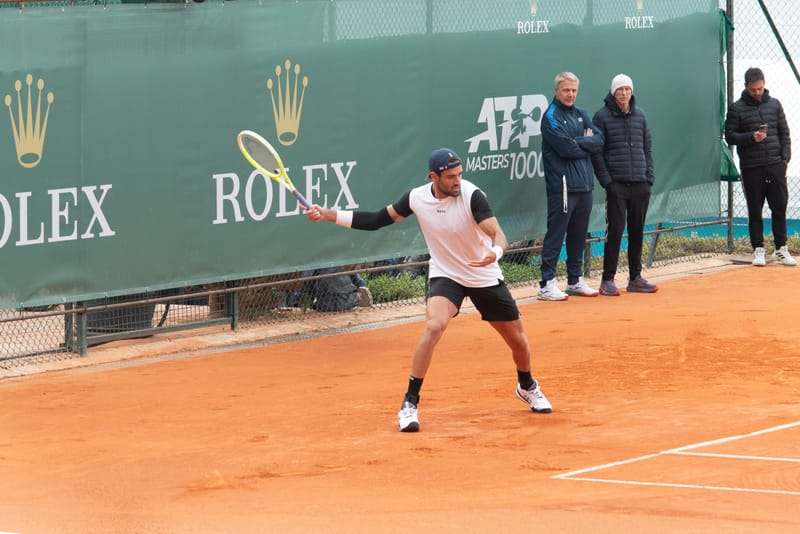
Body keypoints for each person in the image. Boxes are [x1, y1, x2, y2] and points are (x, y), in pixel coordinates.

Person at [305, 148, 552, 432]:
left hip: (483, 273)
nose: (457, 181)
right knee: (434, 327)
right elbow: (375, 220)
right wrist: (327, 214)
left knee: (518, 341)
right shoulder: (416, 198)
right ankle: (409, 403)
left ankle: (527, 386)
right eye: (450, 177)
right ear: (433, 177)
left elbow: (498, 234)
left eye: (459, 175)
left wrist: (494, 253)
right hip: (446, 274)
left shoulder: (472, 196)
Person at [538, 72, 605, 301]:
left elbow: (599, 141)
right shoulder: (550, 117)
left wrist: (581, 141)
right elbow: (566, 148)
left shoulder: (582, 114)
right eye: (566, 90)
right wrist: (583, 142)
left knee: (578, 235)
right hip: (563, 188)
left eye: (574, 90)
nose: (570, 94)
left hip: (585, 186)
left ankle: (575, 280)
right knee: (556, 234)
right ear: (557, 90)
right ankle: (546, 284)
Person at [591, 74, 658, 295]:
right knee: (616, 231)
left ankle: (635, 278)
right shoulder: (601, 117)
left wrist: (648, 177)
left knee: (637, 231)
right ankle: (607, 280)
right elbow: (597, 152)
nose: (624, 93)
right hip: (617, 185)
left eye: (627, 89)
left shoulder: (641, 115)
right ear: (613, 92)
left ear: (631, 91)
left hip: (640, 183)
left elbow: (647, 148)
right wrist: (607, 182)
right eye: (620, 89)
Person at [724, 67, 795, 267]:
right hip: (751, 166)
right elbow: (730, 136)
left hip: (775, 165)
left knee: (779, 207)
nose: (757, 92)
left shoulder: (775, 105)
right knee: (755, 209)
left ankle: (781, 248)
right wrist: (751, 137)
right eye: (754, 89)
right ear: (746, 87)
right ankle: (758, 250)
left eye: (760, 88)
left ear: (764, 85)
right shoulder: (736, 108)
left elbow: (785, 133)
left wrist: (784, 160)